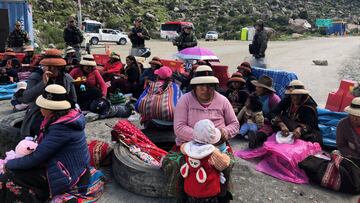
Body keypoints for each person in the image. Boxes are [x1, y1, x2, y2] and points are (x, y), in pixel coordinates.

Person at [0, 84, 90, 202]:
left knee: (12, 176)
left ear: (51, 109)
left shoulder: (62, 128)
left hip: (67, 174)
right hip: (64, 165)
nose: (40, 109)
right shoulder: (59, 119)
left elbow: (37, 157)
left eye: (42, 106)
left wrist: (9, 164)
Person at [174, 65, 239, 202]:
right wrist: (203, 138)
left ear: (214, 86)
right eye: (201, 85)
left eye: (209, 85)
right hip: (190, 145)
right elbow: (179, 128)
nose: (205, 89)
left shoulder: (223, 100)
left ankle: (222, 195)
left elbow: (235, 124)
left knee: (225, 166)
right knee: (178, 166)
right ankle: (182, 195)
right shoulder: (185, 100)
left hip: (218, 145)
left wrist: (224, 132)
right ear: (195, 87)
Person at [19, 49, 77, 137]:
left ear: (59, 67)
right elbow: (26, 98)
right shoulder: (36, 76)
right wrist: (42, 83)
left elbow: (73, 99)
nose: (49, 69)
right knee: (42, 129)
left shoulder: (66, 78)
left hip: (62, 110)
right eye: (47, 66)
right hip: (40, 111)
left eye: (53, 66)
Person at [180, 119, 231, 202]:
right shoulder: (212, 152)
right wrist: (225, 155)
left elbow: (182, 148)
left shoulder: (186, 147)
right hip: (208, 191)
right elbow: (224, 164)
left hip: (190, 189)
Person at [268, 80, 322, 144]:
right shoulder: (288, 99)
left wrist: (300, 129)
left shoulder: (310, 107)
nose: (295, 98)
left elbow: (310, 126)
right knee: (274, 121)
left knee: (313, 139)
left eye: (298, 95)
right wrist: (281, 124)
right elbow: (272, 113)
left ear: (302, 94)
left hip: (302, 130)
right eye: (293, 95)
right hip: (289, 125)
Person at [248, 75, 281, 148]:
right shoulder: (256, 95)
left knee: (262, 133)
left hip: (269, 123)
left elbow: (277, 116)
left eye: (259, 87)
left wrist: (265, 120)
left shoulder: (274, 99)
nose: (256, 88)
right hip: (256, 119)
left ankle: (255, 140)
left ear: (265, 89)